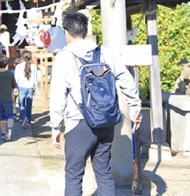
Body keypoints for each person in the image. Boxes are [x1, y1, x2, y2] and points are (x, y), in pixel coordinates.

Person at [50, 11, 142, 196]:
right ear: (85, 31)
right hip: (106, 120)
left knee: (74, 175)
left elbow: (58, 95)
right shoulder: (106, 53)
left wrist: (55, 126)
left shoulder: (64, 57)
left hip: (78, 123)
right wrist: (135, 108)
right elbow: (126, 79)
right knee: (104, 172)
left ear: (67, 32)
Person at [0, 53, 18, 141]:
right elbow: (14, 86)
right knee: (10, 115)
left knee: (0, 117)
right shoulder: (10, 74)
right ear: (7, 64)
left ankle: (4, 133)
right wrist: (15, 90)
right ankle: (9, 129)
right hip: (8, 98)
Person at [14, 50, 38, 129]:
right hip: (30, 86)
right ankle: (29, 121)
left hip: (21, 86)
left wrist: (15, 87)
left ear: (22, 57)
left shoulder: (18, 66)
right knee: (29, 105)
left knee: (22, 104)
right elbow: (35, 78)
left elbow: (16, 78)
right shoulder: (33, 67)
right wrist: (35, 87)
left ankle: (24, 117)